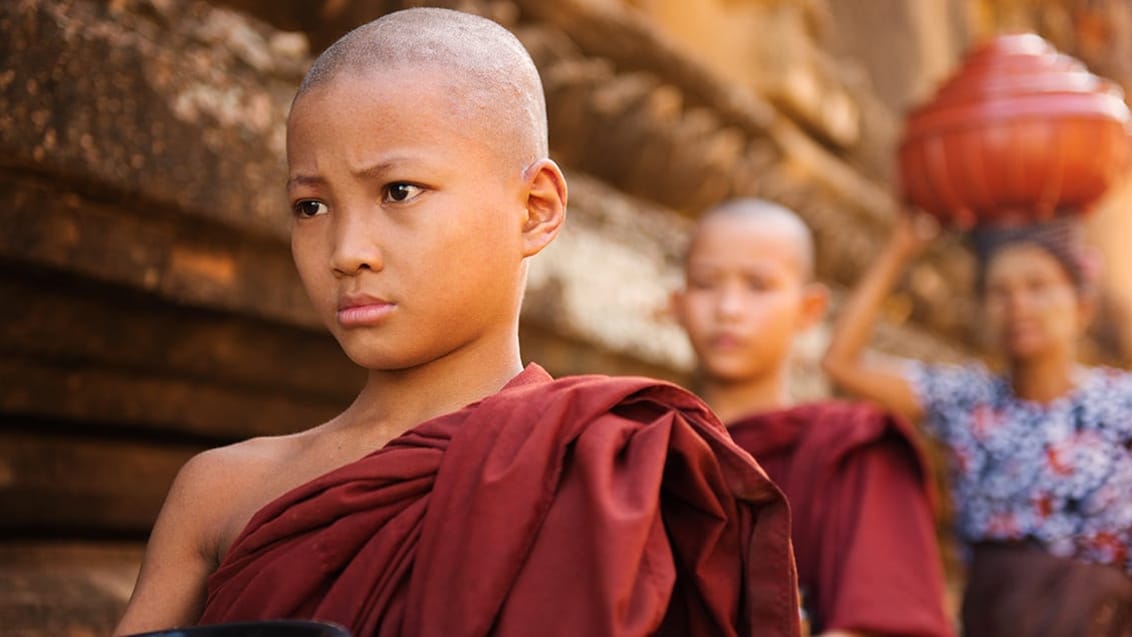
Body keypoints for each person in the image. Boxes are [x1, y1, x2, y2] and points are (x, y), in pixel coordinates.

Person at [113, 8, 802, 637]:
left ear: (535, 208)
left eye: (399, 191)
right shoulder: (219, 489)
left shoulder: (608, 474)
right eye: (311, 207)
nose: (348, 251)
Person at [823, 210, 1132, 636]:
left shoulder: (1121, 402)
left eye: (1037, 287)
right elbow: (842, 363)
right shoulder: (967, 400)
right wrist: (900, 249)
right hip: (993, 615)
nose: (1018, 305)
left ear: (1082, 306)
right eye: (999, 292)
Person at [671, 199, 954, 637]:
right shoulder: (652, 449)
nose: (728, 307)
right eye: (707, 284)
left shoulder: (851, 449)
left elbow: (886, 621)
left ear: (809, 310)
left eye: (758, 285)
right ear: (678, 304)